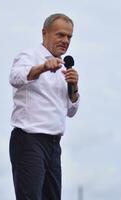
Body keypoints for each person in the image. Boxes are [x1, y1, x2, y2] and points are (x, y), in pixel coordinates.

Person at [8, 13, 80, 200]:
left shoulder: (65, 67)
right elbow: (15, 78)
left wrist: (74, 87)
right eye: (60, 35)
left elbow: (71, 111)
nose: (65, 40)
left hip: (53, 144)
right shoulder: (30, 55)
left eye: (69, 37)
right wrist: (42, 68)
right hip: (29, 139)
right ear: (44, 33)